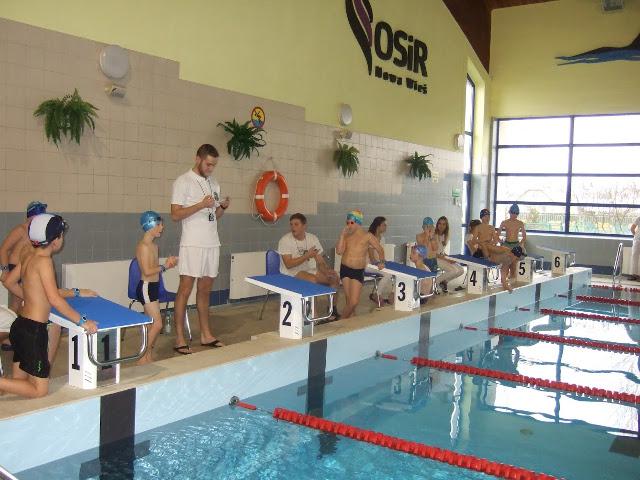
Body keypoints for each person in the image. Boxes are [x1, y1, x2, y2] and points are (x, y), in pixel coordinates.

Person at [0, 213, 98, 398]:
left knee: (20, 384)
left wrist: (32, 298)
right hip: (33, 331)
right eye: (62, 235)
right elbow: (54, 299)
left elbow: (9, 282)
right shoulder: (44, 262)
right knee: (39, 390)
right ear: (55, 240)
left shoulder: (28, 254)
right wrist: (82, 322)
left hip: (20, 325)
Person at [171, 144, 230, 354]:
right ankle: (179, 338)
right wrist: (200, 205)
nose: (211, 168)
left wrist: (222, 208)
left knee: (205, 290)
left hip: (212, 243)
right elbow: (175, 215)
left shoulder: (214, 183)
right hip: (192, 243)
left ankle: (206, 334)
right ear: (198, 159)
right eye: (208, 164)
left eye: (214, 165)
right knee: (185, 290)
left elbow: (214, 216)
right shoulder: (183, 181)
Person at [135, 211, 179, 364]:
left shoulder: (154, 246)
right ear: (150, 225)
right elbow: (147, 271)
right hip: (146, 288)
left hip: (153, 287)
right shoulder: (144, 247)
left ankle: (147, 356)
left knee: (150, 325)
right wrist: (165, 266)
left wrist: (167, 264)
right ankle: (142, 357)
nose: (162, 227)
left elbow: (154, 268)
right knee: (158, 324)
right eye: (159, 225)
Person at [278, 213, 340, 318]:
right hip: (290, 273)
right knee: (312, 280)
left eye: (296, 224)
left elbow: (320, 261)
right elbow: (288, 265)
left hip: (307, 270)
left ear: (304, 226)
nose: (293, 227)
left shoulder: (312, 238)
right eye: (291, 224)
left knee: (334, 278)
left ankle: (332, 309)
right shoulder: (285, 240)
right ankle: (313, 316)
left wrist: (326, 271)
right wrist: (307, 255)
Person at [336, 210, 385, 319]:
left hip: (357, 271)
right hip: (345, 269)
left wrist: (382, 262)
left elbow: (380, 249)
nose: (349, 225)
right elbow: (339, 251)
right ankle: (351, 321)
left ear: (358, 223)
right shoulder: (346, 235)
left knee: (353, 302)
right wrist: (342, 236)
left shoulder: (367, 236)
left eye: (351, 223)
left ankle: (341, 321)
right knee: (349, 300)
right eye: (347, 223)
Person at [0, 201, 47, 313]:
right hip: (14, 268)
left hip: (26, 268)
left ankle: (17, 322)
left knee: (24, 302)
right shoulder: (20, 230)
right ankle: (10, 323)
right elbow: (4, 249)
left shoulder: (37, 232)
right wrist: (5, 271)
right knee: (17, 302)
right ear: (31, 217)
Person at [473, 209, 519, 292]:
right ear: (481, 217)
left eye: (488, 216)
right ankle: (506, 280)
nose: (487, 218)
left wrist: (494, 242)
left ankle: (504, 282)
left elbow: (495, 239)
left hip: (491, 248)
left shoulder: (491, 227)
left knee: (507, 257)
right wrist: (482, 242)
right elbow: (474, 240)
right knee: (506, 251)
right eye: (485, 216)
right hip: (482, 249)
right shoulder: (478, 227)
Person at [434, 216, 464, 292]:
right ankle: (434, 283)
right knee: (453, 270)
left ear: (446, 226)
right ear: (437, 225)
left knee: (461, 270)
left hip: (441, 257)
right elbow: (434, 253)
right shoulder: (434, 235)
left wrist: (450, 259)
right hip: (434, 258)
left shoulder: (445, 236)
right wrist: (447, 259)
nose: (441, 226)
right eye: (440, 224)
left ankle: (444, 282)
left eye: (443, 224)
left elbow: (442, 252)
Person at [367, 216, 393, 305]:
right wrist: (380, 264)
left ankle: (392, 295)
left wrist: (384, 262)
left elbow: (380, 255)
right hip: (368, 265)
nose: (386, 227)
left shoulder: (382, 238)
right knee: (388, 274)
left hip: (377, 264)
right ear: (378, 226)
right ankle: (376, 294)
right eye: (384, 225)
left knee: (396, 272)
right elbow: (372, 258)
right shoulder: (370, 237)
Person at [630, 215, 640, 281]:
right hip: (637, 240)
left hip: (637, 239)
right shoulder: (639, 218)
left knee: (634, 257)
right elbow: (632, 228)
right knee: (634, 257)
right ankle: (634, 275)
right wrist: (636, 235)